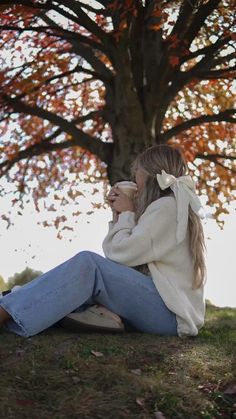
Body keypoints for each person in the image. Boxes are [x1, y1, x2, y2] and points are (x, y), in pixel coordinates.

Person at [0, 144, 206, 337]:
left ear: (150, 174)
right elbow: (124, 262)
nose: (134, 178)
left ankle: (8, 309)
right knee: (73, 284)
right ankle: (18, 301)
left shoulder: (166, 208)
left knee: (89, 265)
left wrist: (126, 213)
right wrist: (120, 216)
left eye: (137, 172)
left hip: (170, 316)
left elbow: (119, 255)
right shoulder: (169, 208)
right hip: (166, 309)